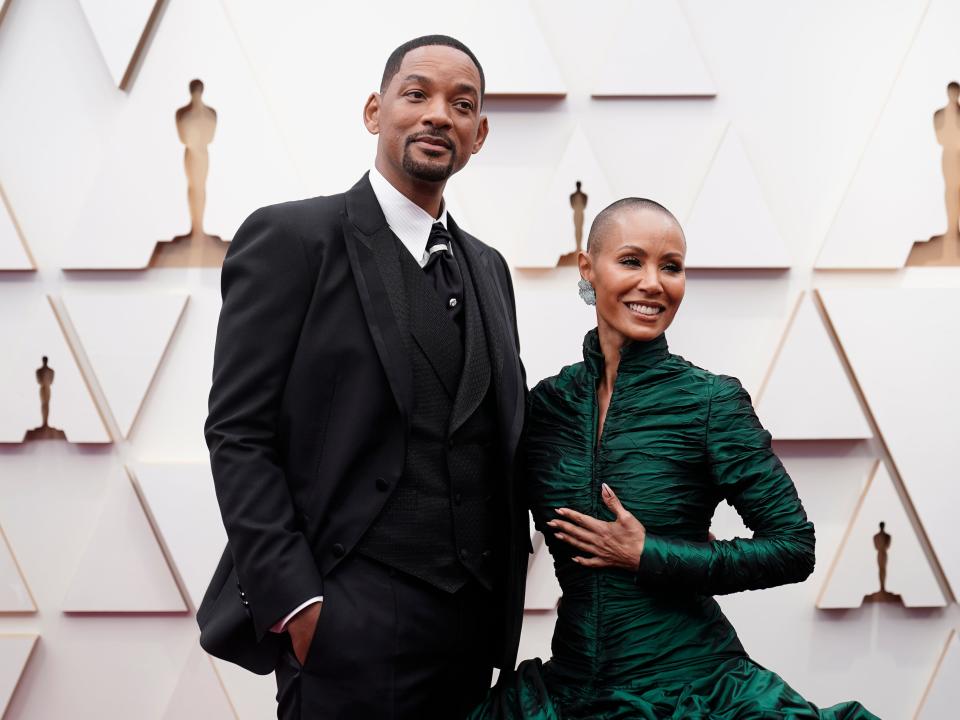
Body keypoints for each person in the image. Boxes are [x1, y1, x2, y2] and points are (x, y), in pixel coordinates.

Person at [198, 35, 528, 720]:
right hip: (346, 623)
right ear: (375, 111)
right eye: (418, 94)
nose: (439, 114)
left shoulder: (490, 269)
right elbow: (237, 434)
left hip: (470, 636)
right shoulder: (293, 240)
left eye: (461, 104)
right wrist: (298, 603)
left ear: (480, 133)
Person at [470, 198, 878, 719]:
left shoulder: (711, 402)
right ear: (587, 269)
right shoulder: (544, 405)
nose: (654, 283)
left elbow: (795, 548)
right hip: (569, 690)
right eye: (631, 261)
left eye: (672, 267)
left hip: (692, 691)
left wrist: (650, 555)